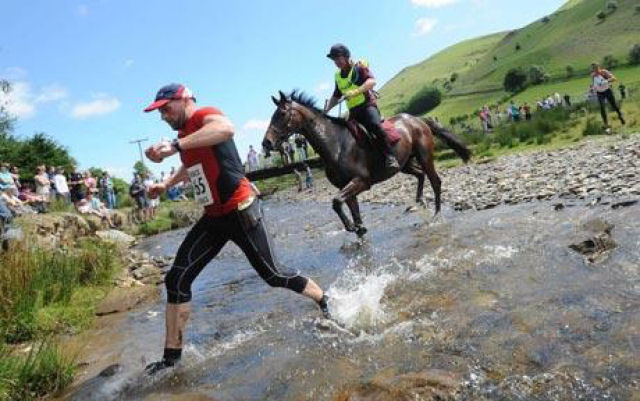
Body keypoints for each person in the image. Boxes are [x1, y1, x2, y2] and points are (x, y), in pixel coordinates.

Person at [142, 83, 330, 374]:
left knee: (274, 274)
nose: (163, 116)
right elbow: (194, 166)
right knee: (176, 280)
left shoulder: (205, 115)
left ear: (184, 99)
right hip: (214, 217)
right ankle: (170, 361)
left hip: (242, 208)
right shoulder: (184, 135)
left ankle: (325, 300)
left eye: (166, 108)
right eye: (160, 112)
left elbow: (226, 129)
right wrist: (166, 184)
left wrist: (175, 146)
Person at [323, 44, 399, 172]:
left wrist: (355, 91)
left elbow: (372, 81)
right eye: (334, 60)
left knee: (375, 126)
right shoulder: (337, 76)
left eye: (338, 58)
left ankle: (391, 157)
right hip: (353, 111)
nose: (336, 62)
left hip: (367, 106)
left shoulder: (359, 67)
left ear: (346, 56)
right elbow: (336, 96)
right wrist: (325, 111)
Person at [590, 62, 625, 127]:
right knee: (602, 107)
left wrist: (605, 81)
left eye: (596, 68)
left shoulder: (604, 72)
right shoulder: (592, 75)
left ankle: (620, 116)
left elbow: (614, 78)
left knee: (614, 105)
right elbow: (594, 84)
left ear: (599, 67)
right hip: (600, 93)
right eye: (593, 69)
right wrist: (592, 88)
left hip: (607, 91)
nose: (595, 70)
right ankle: (606, 124)